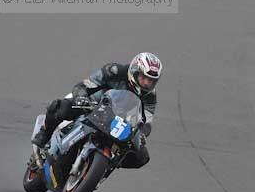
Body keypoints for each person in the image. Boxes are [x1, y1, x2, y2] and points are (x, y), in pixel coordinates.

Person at [32, 52, 162, 168]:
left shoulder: (150, 96)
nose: (146, 83)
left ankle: (106, 165)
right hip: (91, 105)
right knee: (60, 107)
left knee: (142, 157)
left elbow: (147, 120)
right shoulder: (115, 71)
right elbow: (86, 84)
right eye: (144, 78)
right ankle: (45, 134)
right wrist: (81, 97)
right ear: (134, 71)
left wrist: (142, 133)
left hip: (117, 122)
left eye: (151, 81)